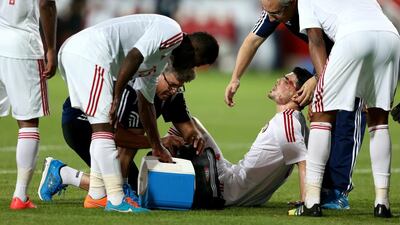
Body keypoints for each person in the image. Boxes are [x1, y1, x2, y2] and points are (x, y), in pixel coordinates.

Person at [57, 14, 218, 213]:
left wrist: (157, 145)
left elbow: (146, 103)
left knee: (102, 128)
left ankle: (97, 195)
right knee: (104, 128)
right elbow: (134, 55)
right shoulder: (173, 32)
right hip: (90, 53)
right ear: (195, 51)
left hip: (86, 54)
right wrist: (116, 95)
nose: (190, 68)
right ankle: (116, 200)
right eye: (195, 63)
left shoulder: (162, 56)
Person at [224, 0, 367, 210]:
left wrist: (318, 78)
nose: (271, 20)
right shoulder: (277, 8)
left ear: (291, 4)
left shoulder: (315, 8)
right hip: (328, 62)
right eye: (267, 12)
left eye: (274, 14)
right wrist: (235, 77)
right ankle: (320, 189)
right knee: (322, 118)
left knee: (347, 117)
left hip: (355, 54)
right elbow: (252, 41)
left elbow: (342, 45)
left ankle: (338, 191)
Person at [39, 62, 206, 208]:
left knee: (138, 188)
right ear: (159, 73)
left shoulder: (171, 92)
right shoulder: (134, 88)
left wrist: (195, 137)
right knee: (121, 186)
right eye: (172, 84)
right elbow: (115, 135)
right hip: (82, 124)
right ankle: (70, 177)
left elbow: (187, 127)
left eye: (180, 86)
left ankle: (62, 173)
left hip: (110, 131)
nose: (174, 90)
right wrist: (158, 143)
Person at [289, 0, 400, 217]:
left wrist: (320, 83)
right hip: (390, 36)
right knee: (378, 121)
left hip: (353, 37)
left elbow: (316, 39)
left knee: (321, 115)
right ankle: (382, 203)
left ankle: (311, 202)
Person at [0, 0, 57, 210]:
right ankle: (20, 195)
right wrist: (51, 48)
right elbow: (46, 4)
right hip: (22, 44)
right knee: (28, 122)